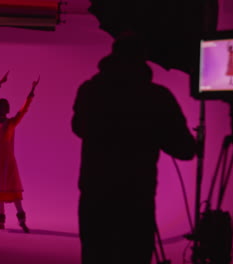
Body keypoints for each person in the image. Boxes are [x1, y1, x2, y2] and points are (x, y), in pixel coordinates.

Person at [71, 32, 196, 263]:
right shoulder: (156, 96)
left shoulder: (89, 90)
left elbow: (78, 128)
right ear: (144, 57)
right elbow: (184, 149)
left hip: (94, 194)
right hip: (136, 198)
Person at [0, 71, 40, 234]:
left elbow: (23, 111)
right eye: (0, 106)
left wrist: (31, 94)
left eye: (5, 106)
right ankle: (1, 222)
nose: (3, 109)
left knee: (13, 189)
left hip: (7, 161)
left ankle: (22, 221)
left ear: (8, 108)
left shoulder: (12, 122)